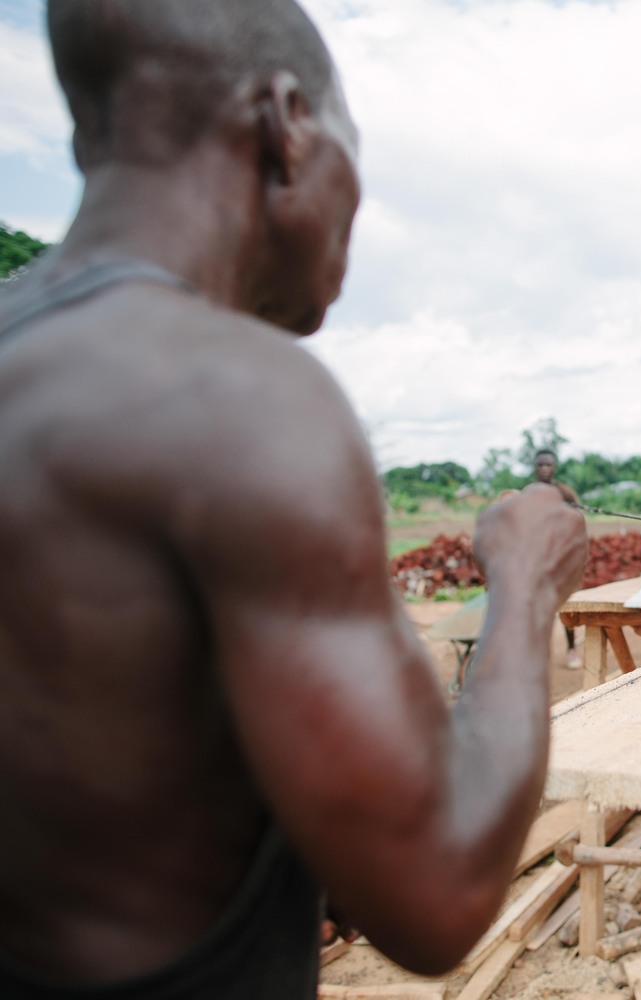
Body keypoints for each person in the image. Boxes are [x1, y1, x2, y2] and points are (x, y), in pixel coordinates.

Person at [0, 2, 587, 995]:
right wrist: (523, 584)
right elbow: (436, 895)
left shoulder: (36, 363)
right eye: (352, 150)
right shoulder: (236, 399)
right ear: (287, 126)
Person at [531, 448, 583, 667]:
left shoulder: (565, 494)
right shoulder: (528, 494)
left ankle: (571, 649)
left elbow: (577, 525)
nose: (544, 468)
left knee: (566, 607)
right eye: (540, 464)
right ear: (535, 467)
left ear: (555, 467)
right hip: (537, 562)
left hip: (562, 561)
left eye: (548, 465)